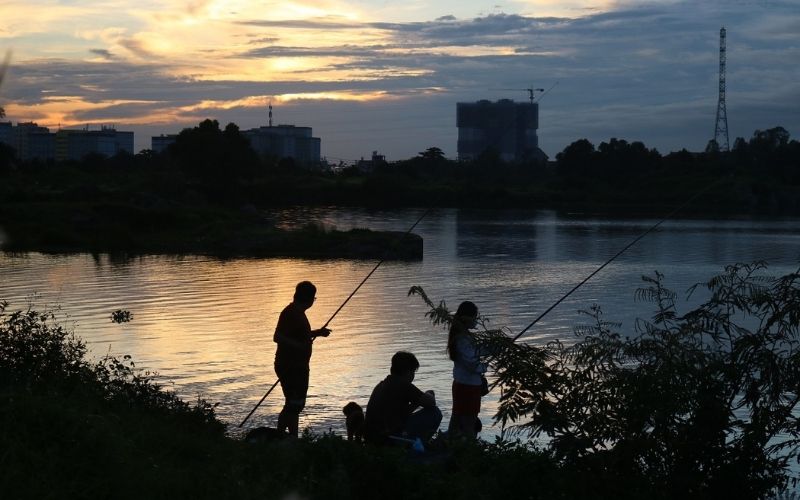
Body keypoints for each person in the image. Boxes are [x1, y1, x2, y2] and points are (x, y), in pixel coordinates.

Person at [273, 281, 331, 437]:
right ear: (309, 298)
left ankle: (291, 437)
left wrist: (317, 333)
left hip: (297, 366)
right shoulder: (290, 313)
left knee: (293, 404)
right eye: (314, 298)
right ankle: (283, 436)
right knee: (295, 404)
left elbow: (297, 334)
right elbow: (277, 337)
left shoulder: (297, 313)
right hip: (291, 366)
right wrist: (299, 346)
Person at [363, 351, 442, 445]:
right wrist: (429, 393)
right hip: (389, 438)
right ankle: (419, 445)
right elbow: (431, 402)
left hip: (374, 438)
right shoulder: (403, 384)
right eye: (413, 371)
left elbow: (401, 414)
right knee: (434, 413)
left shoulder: (382, 384)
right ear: (408, 371)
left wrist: (416, 402)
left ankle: (416, 443)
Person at [447, 301, 486, 438]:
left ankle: (449, 446)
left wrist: (495, 348)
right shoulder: (462, 338)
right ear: (467, 318)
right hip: (468, 387)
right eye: (475, 317)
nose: (476, 321)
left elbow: (475, 351)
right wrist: (484, 368)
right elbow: (471, 363)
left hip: (462, 384)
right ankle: (468, 453)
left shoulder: (463, 335)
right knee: (469, 424)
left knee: (456, 421)